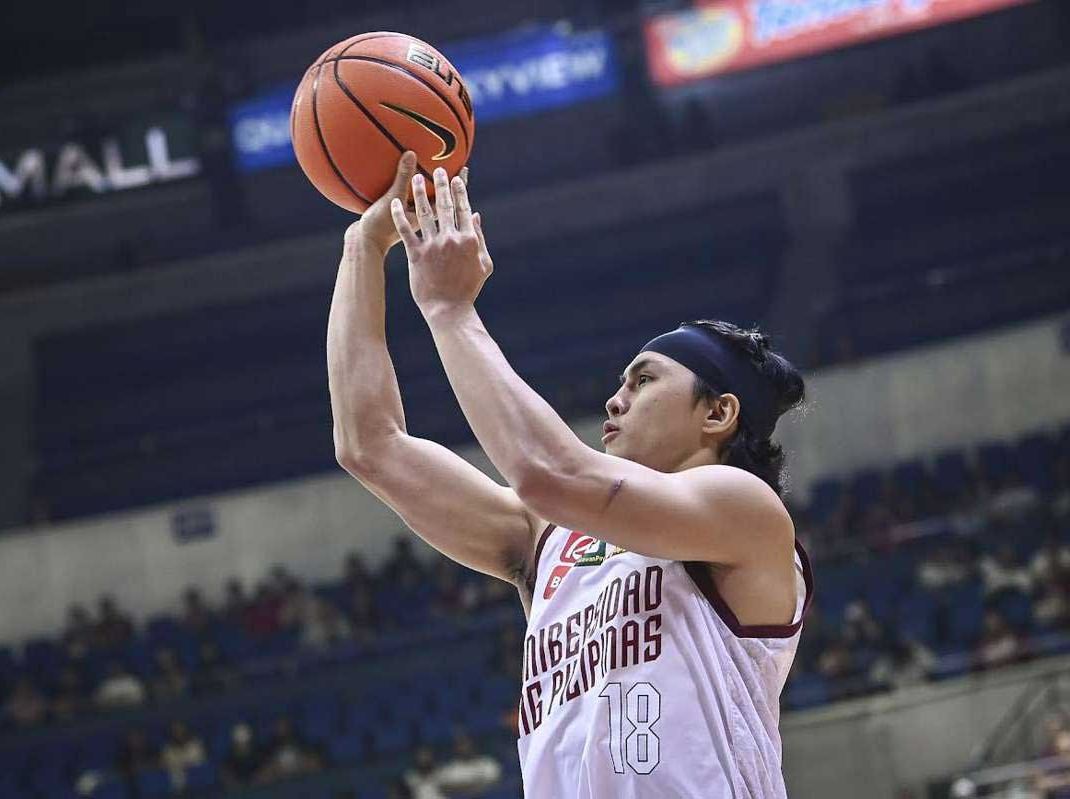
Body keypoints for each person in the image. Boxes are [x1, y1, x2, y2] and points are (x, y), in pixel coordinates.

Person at [328, 152, 813, 798]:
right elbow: (370, 445)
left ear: (719, 412)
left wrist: (450, 310)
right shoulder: (548, 534)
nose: (615, 401)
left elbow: (548, 470)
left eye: (643, 381)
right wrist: (363, 244)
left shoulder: (745, 511)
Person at [161, 720, 207, 791]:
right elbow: (168, 763)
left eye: (181, 731)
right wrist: (180, 764)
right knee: (176, 773)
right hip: (178, 775)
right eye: (176, 732)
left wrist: (186, 764)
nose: (179, 734)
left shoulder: (195, 744)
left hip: (195, 772)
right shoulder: (168, 748)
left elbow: (200, 759)